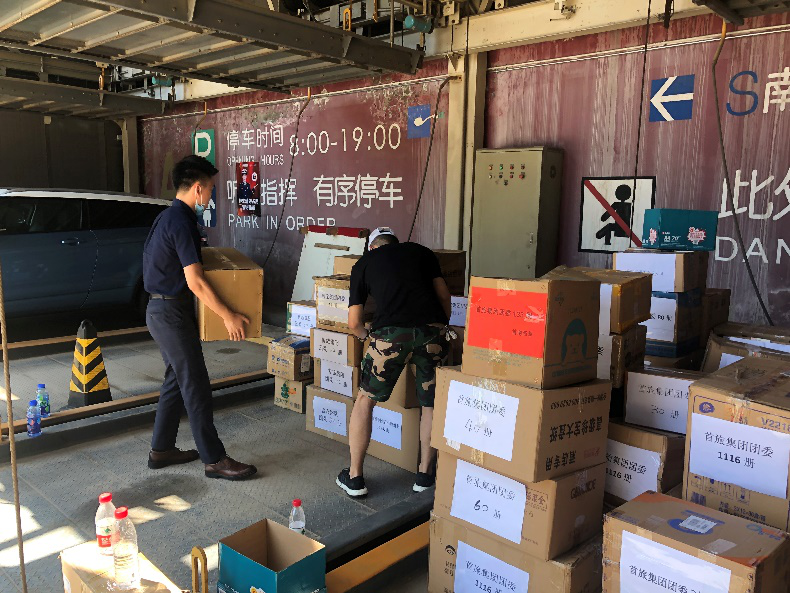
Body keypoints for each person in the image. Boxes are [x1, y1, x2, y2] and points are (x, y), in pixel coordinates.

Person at [143, 154, 257, 481]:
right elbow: (196, 281)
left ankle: (161, 450)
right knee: (195, 384)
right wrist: (228, 315)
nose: (211, 195)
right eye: (210, 189)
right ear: (197, 188)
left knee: (176, 379)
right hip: (171, 313)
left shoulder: (166, 217)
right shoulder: (182, 222)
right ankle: (214, 459)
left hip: (160, 310)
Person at [336, 227, 451, 497]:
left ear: (372, 247)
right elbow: (444, 296)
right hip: (432, 332)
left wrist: (366, 337)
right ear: (395, 242)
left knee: (365, 401)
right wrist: (441, 326)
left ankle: (355, 478)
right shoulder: (422, 252)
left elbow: (354, 322)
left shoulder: (364, 263)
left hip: (390, 336)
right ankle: (424, 476)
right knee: (430, 403)